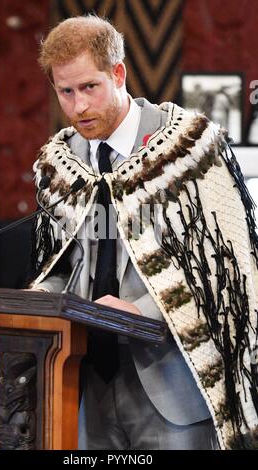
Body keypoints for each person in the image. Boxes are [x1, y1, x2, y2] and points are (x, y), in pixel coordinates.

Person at [29, 15, 258, 450]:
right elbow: (57, 260)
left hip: (173, 385)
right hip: (85, 383)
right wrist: (41, 297)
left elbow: (228, 267)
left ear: (119, 74)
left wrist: (142, 313)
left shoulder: (189, 149)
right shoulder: (58, 163)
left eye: (89, 87)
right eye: (65, 92)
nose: (78, 107)